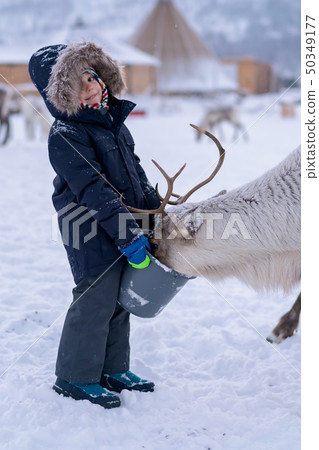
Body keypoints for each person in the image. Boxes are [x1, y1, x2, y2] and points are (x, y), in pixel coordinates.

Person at [29, 42, 160, 409]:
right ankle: (74, 376)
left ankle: (112, 369)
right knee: (95, 298)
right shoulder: (66, 134)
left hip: (119, 222)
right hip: (85, 225)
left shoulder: (111, 122)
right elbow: (94, 189)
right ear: (60, 95)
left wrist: (153, 212)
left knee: (119, 299)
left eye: (90, 76)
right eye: (75, 83)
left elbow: (135, 172)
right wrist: (127, 235)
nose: (88, 85)